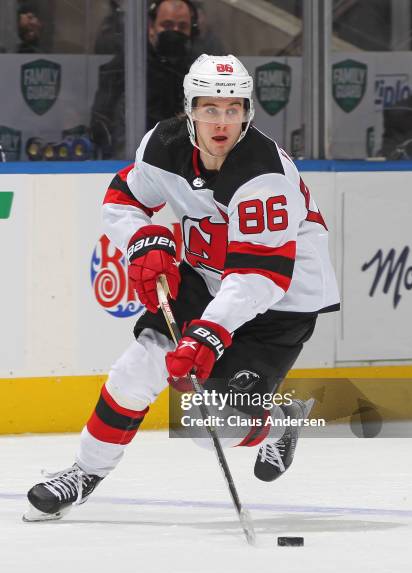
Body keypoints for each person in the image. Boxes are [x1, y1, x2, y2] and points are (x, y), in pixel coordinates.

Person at [24, 54, 340, 522]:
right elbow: (123, 198)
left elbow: (260, 278)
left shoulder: (264, 176)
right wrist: (143, 240)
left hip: (281, 300)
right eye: (210, 108)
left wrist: (208, 334)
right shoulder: (163, 145)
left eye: (233, 109)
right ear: (190, 108)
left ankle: (279, 424)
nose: (222, 121)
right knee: (135, 371)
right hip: (207, 277)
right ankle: (83, 473)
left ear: (248, 112)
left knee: (212, 425)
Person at [90, 0, 199, 159]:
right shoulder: (124, 69)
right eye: (167, 25)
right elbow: (102, 126)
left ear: (192, 30)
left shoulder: (201, 71)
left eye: (182, 27)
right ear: (151, 27)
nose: (175, 31)